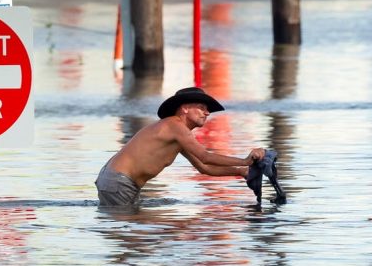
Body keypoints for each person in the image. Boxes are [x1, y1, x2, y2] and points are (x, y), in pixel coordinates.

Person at [95, 87, 265, 207]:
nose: (207, 113)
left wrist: (240, 171)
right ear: (184, 109)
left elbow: (204, 167)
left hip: (118, 182)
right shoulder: (175, 126)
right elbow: (206, 156)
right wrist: (246, 161)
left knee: (139, 232)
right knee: (136, 235)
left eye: (207, 110)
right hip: (119, 182)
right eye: (201, 108)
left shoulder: (178, 134)